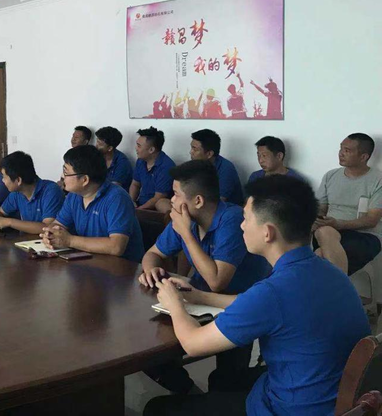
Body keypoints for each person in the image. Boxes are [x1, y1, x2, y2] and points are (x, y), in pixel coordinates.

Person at [144, 175, 370, 416]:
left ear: (267, 232)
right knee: (223, 379)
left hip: (293, 408)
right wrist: (200, 296)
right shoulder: (329, 271)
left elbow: (193, 343)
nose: (241, 226)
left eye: (246, 218)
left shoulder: (273, 292)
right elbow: (255, 304)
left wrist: (174, 304)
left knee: (157, 409)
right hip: (334, 396)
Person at [139, 160, 270, 394]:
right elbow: (153, 254)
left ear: (198, 201)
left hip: (237, 305)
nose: (171, 200)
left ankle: (218, 399)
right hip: (198, 299)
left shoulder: (231, 220)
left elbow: (217, 282)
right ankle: (190, 393)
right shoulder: (186, 219)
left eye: (176, 194)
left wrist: (186, 233)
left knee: (227, 380)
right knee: (150, 352)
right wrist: (150, 270)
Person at [42, 146, 143, 261]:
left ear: (84, 180)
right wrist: (50, 235)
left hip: (122, 267)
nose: (62, 177)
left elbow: (116, 247)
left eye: (66, 173)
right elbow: (58, 225)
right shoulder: (74, 196)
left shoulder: (117, 198)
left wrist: (69, 240)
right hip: (88, 261)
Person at [313, 133, 382, 275]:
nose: (341, 153)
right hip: (330, 230)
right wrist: (317, 219)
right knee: (323, 232)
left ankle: (335, 284)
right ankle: (340, 285)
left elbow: (372, 220)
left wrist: (339, 224)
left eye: (347, 150)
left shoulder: (378, 180)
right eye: (341, 148)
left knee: (319, 254)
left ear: (363, 157)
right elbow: (320, 209)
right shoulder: (330, 176)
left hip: (364, 236)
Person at [0, 151, 64, 234]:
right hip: (25, 241)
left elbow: (48, 228)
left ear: (18, 180)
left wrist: (9, 222)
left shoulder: (51, 191)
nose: (2, 180)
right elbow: (1, 211)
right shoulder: (17, 193)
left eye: (4, 177)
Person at [190, 129, 243, 205]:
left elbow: (218, 202)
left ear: (209, 154)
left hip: (224, 209)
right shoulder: (195, 165)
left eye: (195, 149)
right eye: (191, 148)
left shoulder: (226, 169)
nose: (190, 152)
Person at [129, 127, 175, 213]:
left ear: (151, 150)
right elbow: (135, 184)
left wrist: (139, 210)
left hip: (157, 210)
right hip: (140, 205)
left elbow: (159, 197)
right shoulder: (140, 161)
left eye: (139, 146)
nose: (136, 148)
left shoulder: (166, 166)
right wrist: (131, 202)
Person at [59, 126, 92, 190]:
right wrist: (61, 182)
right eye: (73, 136)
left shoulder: (88, 157)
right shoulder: (70, 154)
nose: (73, 139)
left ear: (85, 141)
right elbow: (64, 174)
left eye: (77, 137)